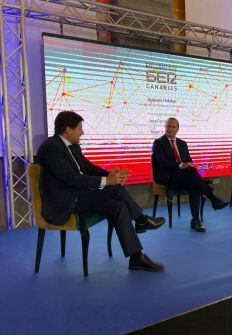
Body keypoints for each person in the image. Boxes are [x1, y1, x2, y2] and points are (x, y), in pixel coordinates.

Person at [37, 111, 165, 271]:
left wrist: (110, 174)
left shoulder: (73, 145)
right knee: (114, 187)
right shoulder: (51, 148)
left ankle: (136, 257)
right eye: (79, 128)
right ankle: (141, 219)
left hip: (81, 196)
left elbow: (87, 167)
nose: (82, 132)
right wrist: (108, 181)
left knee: (118, 207)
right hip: (65, 201)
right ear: (68, 130)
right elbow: (70, 178)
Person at [152, 117, 229, 232]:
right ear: (165, 127)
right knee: (192, 174)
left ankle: (195, 220)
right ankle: (212, 198)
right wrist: (180, 165)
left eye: (173, 127)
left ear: (177, 129)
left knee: (194, 182)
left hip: (182, 176)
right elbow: (162, 162)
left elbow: (189, 161)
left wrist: (187, 165)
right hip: (166, 176)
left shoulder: (182, 144)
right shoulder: (158, 143)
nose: (170, 129)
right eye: (168, 126)